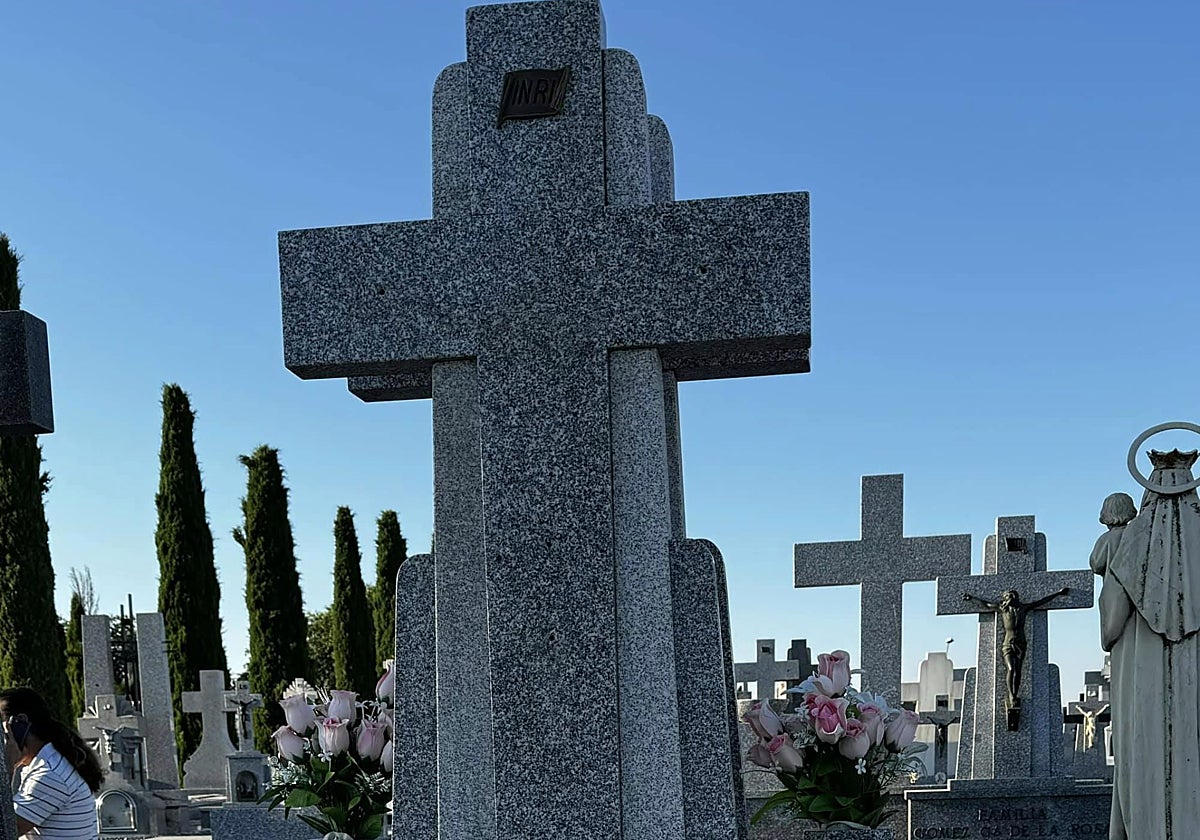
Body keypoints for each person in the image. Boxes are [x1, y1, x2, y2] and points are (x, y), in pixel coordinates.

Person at [1096, 450, 1200, 840]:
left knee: (1145, 750)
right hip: (1193, 668)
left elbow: (1111, 623)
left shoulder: (1133, 541)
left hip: (1142, 667)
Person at [1, 687, 102, 839]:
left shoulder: (49, 775)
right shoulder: (50, 761)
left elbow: (5, 831)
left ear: (19, 722)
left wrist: (6, 769)